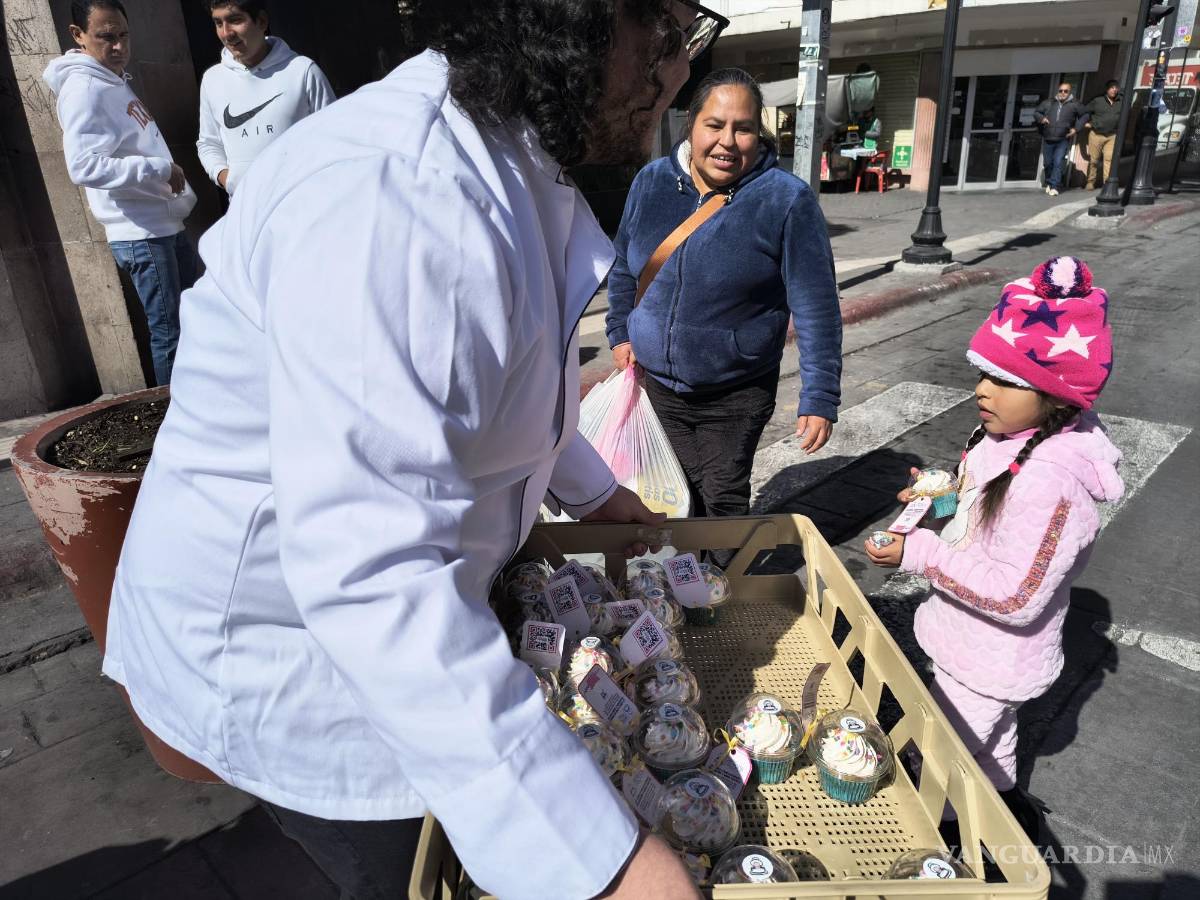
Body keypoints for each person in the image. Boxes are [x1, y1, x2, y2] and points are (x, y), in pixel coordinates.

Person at [104, 2, 725, 898]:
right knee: (401, 871)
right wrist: (605, 863)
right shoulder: (402, 194)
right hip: (292, 662)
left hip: (376, 628)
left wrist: (592, 492)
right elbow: (370, 569)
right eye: (666, 31)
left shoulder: (509, 154)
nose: (681, 72)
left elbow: (499, 390)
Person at [865, 256, 1122, 837]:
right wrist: (940, 497)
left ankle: (945, 835)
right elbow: (975, 509)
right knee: (991, 738)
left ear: (1056, 396)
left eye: (1005, 380)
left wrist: (920, 555)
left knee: (944, 750)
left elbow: (1016, 597)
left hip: (992, 655)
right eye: (983, 372)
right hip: (966, 639)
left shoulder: (1049, 484)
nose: (982, 390)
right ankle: (1003, 802)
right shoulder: (1000, 434)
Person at [606, 67, 841, 531]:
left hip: (736, 389)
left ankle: (717, 593)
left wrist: (819, 395)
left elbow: (815, 306)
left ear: (759, 132)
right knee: (667, 489)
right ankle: (674, 590)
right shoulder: (651, 181)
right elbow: (622, 266)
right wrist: (619, 330)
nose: (727, 142)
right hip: (657, 383)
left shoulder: (786, 200)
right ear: (690, 125)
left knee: (721, 497)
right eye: (714, 125)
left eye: (744, 128)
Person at [43, 0, 198, 386]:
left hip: (162, 222)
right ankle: (173, 426)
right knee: (170, 335)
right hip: (141, 233)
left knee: (189, 327)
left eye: (123, 35)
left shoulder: (112, 80)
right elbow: (83, 166)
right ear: (78, 36)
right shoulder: (84, 89)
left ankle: (201, 416)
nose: (117, 46)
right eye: (105, 37)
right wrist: (157, 168)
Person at [197, 0, 335, 197]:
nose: (226, 33)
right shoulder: (212, 79)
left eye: (235, 20)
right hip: (246, 213)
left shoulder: (303, 70)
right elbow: (209, 144)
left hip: (304, 206)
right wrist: (228, 179)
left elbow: (333, 138)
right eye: (219, 23)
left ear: (261, 21)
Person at [1034, 82, 1087, 196]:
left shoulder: (1075, 104)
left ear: (1070, 92)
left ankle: (1054, 186)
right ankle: (1049, 182)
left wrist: (1076, 129)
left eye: (1066, 91)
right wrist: (1042, 118)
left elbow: (1085, 115)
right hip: (1048, 137)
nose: (1063, 93)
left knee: (1058, 162)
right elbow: (1037, 112)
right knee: (1048, 163)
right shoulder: (1049, 102)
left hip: (1063, 139)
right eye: (1061, 91)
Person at [1083, 79, 1122, 190]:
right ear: (1107, 89)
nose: (1114, 90)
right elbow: (1084, 111)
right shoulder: (1097, 101)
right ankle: (1090, 182)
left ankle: (1106, 184)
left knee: (1109, 160)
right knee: (1094, 160)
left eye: (1116, 88)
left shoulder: (1121, 102)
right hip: (1096, 134)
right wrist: (1087, 123)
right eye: (1111, 87)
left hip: (1112, 135)